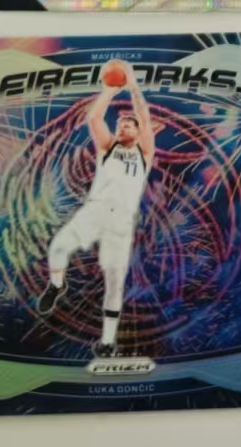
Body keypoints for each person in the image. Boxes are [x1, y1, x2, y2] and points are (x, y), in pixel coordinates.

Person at [34, 61, 156, 358]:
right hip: (95, 211)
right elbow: (94, 118)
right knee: (58, 247)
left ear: (138, 131)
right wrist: (110, 90)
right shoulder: (108, 147)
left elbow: (143, 115)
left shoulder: (145, 152)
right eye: (120, 124)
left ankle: (107, 341)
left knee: (114, 283)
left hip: (121, 222)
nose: (123, 126)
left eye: (128, 124)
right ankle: (56, 285)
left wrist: (133, 85)